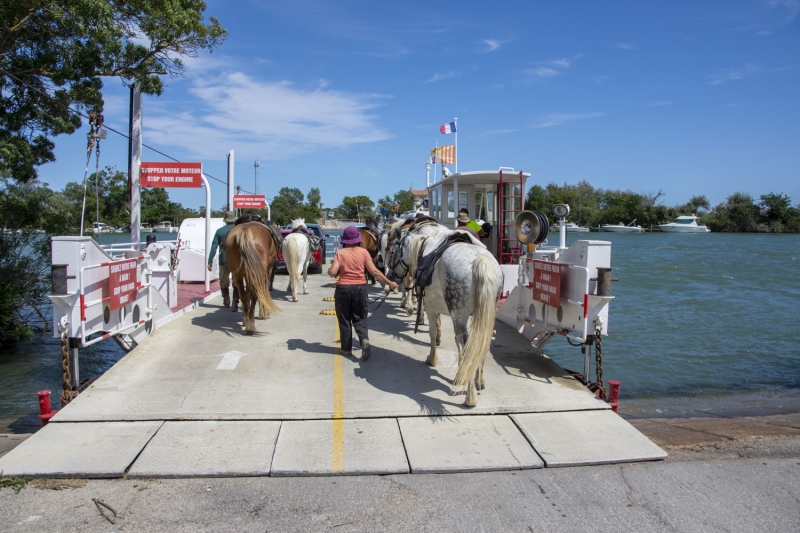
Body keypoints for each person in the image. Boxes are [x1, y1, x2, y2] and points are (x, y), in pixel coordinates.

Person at [327, 226, 397, 360]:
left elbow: (332, 272)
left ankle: (346, 350)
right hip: (360, 288)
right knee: (360, 317)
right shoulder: (364, 252)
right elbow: (375, 272)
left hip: (343, 289)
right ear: (357, 239)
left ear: (345, 240)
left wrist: (332, 271)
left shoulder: (340, 253)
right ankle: (364, 340)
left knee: (344, 319)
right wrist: (390, 283)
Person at [208, 210, 237, 309]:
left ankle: (226, 300)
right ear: (234, 220)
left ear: (225, 220)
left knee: (223, 281)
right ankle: (235, 301)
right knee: (236, 281)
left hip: (223, 259)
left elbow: (213, 247)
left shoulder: (219, 231)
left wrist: (209, 261)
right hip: (236, 260)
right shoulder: (238, 230)